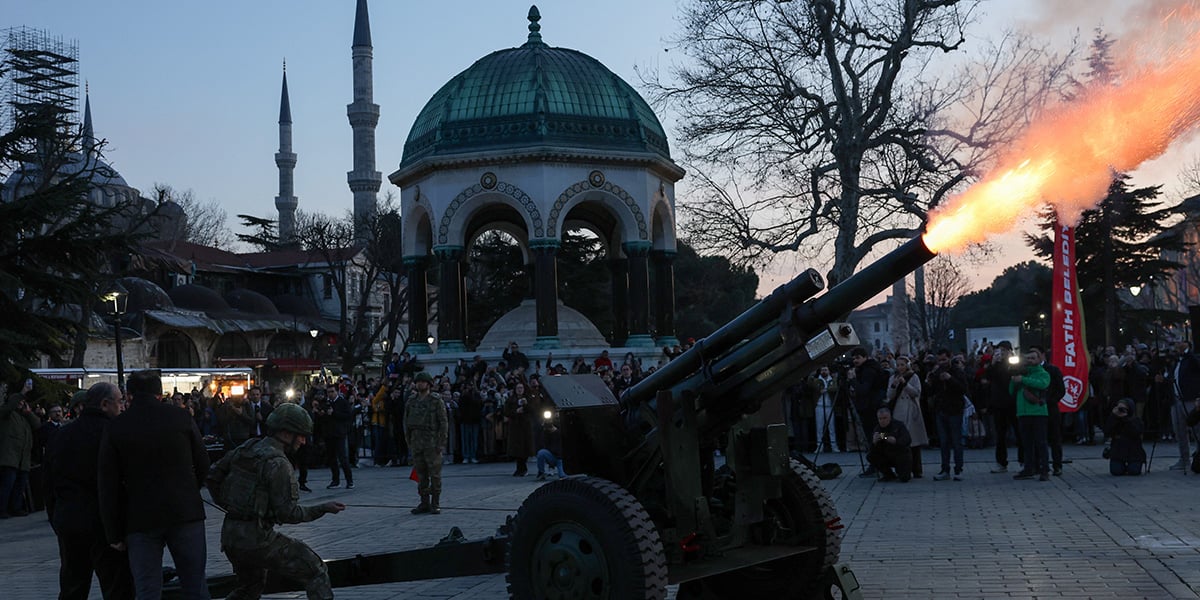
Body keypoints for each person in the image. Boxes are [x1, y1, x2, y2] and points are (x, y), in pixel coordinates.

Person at [206, 403, 347, 599]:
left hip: (231, 537)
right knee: (316, 570)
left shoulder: (248, 447)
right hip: (257, 540)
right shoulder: (278, 463)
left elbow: (213, 476)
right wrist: (322, 508)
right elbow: (288, 513)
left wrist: (232, 506)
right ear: (286, 433)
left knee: (249, 587)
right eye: (300, 435)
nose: (304, 441)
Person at [98, 369, 210, 599]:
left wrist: (113, 533)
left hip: (140, 516)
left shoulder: (117, 426)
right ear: (159, 393)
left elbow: (108, 483)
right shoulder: (180, 417)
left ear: (129, 395)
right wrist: (189, 489)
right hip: (184, 511)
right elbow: (203, 463)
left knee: (147, 588)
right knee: (194, 584)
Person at [45, 383, 134, 599]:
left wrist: (56, 517)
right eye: (120, 401)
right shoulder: (113, 432)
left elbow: (47, 482)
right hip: (105, 524)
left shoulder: (62, 434)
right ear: (105, 404)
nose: (123, 406)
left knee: (73, 585)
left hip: (69, 520)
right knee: (116, 586)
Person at [405, 372, 448, 514]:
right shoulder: (411, 401)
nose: (420, 384)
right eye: (418, 382)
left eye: (423, 382)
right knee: (421, 474)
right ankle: (424, 502)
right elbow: (406, 422)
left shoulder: (436, 400)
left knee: (434, 474)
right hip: (417, 441)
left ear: (429, 384)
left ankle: (435, 503)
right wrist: (409, 441)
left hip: (432, 441)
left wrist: (441, 442)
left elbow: (443, 422)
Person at [0, 380, 41, 518]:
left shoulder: (24, 417)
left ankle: (15, 508)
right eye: (19, 402)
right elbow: (10, 406)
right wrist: (22, 392)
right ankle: (2, 509)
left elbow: (37, 425)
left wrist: (28, 413)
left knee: (19, 486)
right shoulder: (7, 414)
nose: (21, 404)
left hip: (23, 459)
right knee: (7, 485)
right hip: (9, 457)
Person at [927, 348, 968, 481]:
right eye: (939, 360)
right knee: (944, 442)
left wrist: (950, 379)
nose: (942, 362)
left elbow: (963, 389)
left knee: (956, 441)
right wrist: (930, 381)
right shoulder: (937, 372)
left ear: (950, 358)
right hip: (941, 409)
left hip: (955, 410)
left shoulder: (957, 371)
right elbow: (931, 391)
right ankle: (945, 469)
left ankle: (958, 469)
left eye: (944, 359)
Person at [1010, 349, 1052, 481]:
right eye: (1027, 358)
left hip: (1038, 412)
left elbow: (1042, 384)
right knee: (1026, 443)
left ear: (1039, 360)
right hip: (1023, 413)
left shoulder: (1043, 373)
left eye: (1033, 358)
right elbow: (1011, 391)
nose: (1030, 361)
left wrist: (1023, 379)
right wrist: (1014, 379)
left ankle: (1044, 469)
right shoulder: (1022, 372)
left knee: (1041, 442)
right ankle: (1029, 468)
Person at [981, 341, 1022, 473]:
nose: (1002, 353)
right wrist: (993, 363)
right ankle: (1001, 462)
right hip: (999, 404)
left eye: (1004, 350)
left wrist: (1011, 362)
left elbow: (1017, 375)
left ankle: (1023, 460)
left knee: (1019, 433)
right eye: (999, 351)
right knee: (1000, 435)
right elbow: (986, 378)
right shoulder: (995, 365)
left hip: (1013, 403)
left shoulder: (1014, 363)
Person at [848, 347, 888, 476]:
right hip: (871, 408)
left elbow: (863, 390)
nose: (855, 360)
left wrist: (853, 380)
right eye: (853, 358)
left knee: (875, 436)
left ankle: (878, 463)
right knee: (874, 436)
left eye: (858, 358)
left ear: (865, 357)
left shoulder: (868, 371)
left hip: (871, 409)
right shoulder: (868, 368)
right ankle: (877, 462)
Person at [887, 356, 928, 478]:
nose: (900, 367)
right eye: (898, 365)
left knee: (914, 442)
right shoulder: (892, 378)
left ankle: (917, 469)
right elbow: (889, 395)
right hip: (898, 411)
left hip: (911, 410)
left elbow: (917, 392)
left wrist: (905, 385)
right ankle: (903, 468)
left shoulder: (913, 377)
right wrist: (894, 386)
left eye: (902, 365)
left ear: (907, 365)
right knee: (901, 441)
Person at [1168, 341, 1200, 470]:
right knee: (1179, 431)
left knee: (1197, 430)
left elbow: (1197, 365)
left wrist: (1187, 351)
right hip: (1176, 399)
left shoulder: (1192, 359)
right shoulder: (1176, 362)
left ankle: (1198, 457)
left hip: (1190, 399)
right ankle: (1184, 458)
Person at [318, 384, 353, 489]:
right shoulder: (326, 403)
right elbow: (322, 418)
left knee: (343, 458)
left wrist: (334, 413)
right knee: (332, 458)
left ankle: (349, 480)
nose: (330, 394)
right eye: (329, 392)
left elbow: (348, 416)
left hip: (339, 433)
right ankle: (335, 480)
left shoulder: (343, 402)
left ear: (337, 392)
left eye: (332, 391)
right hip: (329, 434)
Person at [867, 407, 913, 482]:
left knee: (904, 478)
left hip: (900, 455)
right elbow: (882, 439)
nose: (882, 421)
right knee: (871, 456)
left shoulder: (899, 425)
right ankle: (888, 474)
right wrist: (874, 443)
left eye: (885, 418)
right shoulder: (877, 429)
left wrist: (896, 441)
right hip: (886, 455)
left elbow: (907, 440)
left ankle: (903, 471)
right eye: (880, 419)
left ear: (890, 417)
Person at [1104, 398, 1147, 476]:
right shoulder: (1115, 420)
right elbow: (1107, 431)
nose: (1121, 411)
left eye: (1123, 409)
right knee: (1116, 471)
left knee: (1134, 471)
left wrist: (1126, 419)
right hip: (1118, 453)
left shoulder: (1136, 420)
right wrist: (1113, 416)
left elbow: (1136, 432)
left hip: (1134, 453)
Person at [504, 381, 536, 477]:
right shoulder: (510, 400)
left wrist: (526, 405)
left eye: (521, 388)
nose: (520, 390)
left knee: (525, 448)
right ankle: (520, 468)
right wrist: (515, 411)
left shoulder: (528, 398)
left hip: (525, 426)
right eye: (518, 388)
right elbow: (506, 412)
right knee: (517, 449)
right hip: (515, 426)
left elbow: (533, 410)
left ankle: (523, 468)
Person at [808, 366, 839, 453]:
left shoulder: (832, 380)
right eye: (822, 370)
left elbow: (835, 388)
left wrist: (826, 389)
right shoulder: (817, 380)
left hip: (829, 406)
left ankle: (834, 445)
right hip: (819, 406)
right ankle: (819, 446)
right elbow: (810, 384)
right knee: (819, 427)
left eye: (825, 370)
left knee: (831, 427)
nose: (824, 372)